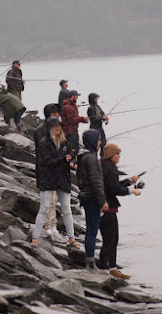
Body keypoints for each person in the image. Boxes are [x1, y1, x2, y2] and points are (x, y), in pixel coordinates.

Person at [32, 117, 79, 250]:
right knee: (44, 208)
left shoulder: (66, 142)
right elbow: (48, 162)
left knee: (67, 210)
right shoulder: (44, 143)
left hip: (63, 179)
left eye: (60, 126)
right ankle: (35, 238)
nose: (58, 128)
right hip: (48, 179)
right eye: (55, 126)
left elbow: (72, 156)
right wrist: (64, 159)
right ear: (50, 128)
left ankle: (72, 239)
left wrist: (72, 162)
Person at [99, 143, 141, 280]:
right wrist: (132, 191)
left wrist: (129, 181)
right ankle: (106, 269)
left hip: (107, 208)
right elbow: (114, 190)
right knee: (110, 239)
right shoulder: (109, 169)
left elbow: (113, 185)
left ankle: (110, 267)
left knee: (111, 239)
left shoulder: (106, 166)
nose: (119, 156)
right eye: (117, 154)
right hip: (107, 209)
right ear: (111, 155)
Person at [34, 103, 66, 242]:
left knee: (54, 201)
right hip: (46, 171)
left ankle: (52, 228)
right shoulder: (40, 131)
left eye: (57, 113)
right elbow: (44, 155)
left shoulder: (56, 130)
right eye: (53, 113)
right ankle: (48, 229)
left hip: (55, 171)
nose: (56, 115)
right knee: (48, 202)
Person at [77, 129, 108, 270]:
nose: (100, 142)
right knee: (92, 230)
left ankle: (89, 259)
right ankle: (90, 262)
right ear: (92, 141)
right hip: (91, 199)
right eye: (98, 140)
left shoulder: (83, 156)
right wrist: (102, 202)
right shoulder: (91, 159)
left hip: (86, 197)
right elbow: (96, 182)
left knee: (91, 229)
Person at [61, 90, 88, 155]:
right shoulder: (67, 107)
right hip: (69, 133)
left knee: (76, 150)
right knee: (71, 151)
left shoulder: (73, 106)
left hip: (74, 131)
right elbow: (71, 120)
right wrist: (82, 119)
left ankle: (74, 162)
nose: (77, 98)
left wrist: (83, 120)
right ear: (72, 96)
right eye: (76, 96)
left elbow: (75, 118)